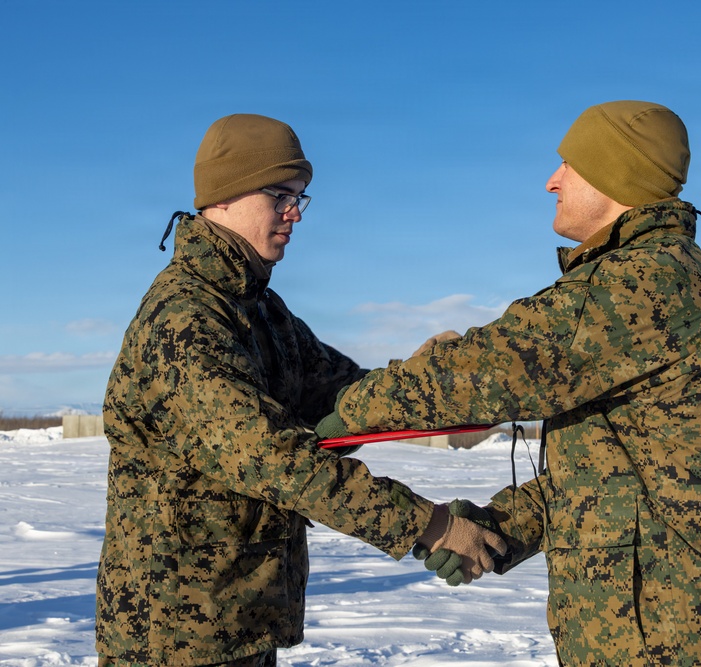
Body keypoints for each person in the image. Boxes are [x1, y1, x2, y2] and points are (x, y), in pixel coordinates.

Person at [316, 101, 701, 665]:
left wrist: (353, 411)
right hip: (646, 632)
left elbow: (491, 366)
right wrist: (499, 529)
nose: (551, 181)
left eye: (570, 165)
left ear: (616, 175)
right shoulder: (640, 281)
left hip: (684, 639)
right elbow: (610, 482)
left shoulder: (652, 280)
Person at [96, 113, 504, 666]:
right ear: (223, 197)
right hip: (174, 636)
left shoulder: (261, 310)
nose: (294, 214)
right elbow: (273, 457)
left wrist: (422, 382)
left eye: (300, 198)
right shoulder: (186, 319)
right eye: (279, 195)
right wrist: (426, 525)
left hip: (238, 622)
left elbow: (340, 393)